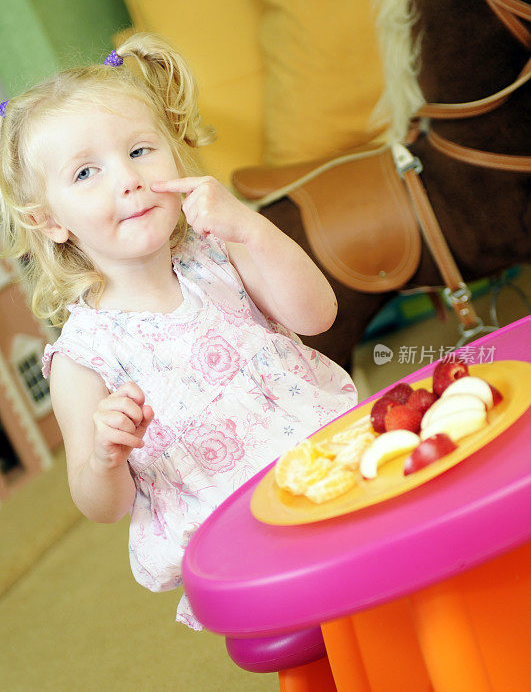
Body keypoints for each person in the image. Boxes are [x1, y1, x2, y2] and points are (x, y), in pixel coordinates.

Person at [0, 33, 358, 629]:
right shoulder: (82, 358)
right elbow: (101, 506)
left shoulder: (221, 251)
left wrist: (251, 226)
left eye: (141, 151)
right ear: (49, 221)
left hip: (329, 467)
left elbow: (316, 315)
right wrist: (107, 458)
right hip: (239, 540)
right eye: (86, 172)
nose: (128, 180)